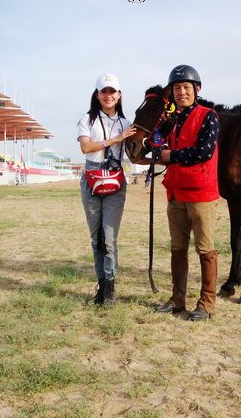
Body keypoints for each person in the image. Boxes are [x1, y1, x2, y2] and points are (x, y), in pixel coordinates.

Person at [155, 65, 221, 321]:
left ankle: (206, 303)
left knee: (205, 249)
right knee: (177, 248)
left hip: (201, 193)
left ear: (197, 89)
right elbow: (156, 142)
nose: (181, 92)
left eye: (186, 87)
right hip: (175, 192)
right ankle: (177, 299)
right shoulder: (172, 120)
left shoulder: (209, 116)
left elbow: (204, 151)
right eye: (176, 88)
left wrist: (173, 156)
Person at [77, 73, 136, 306]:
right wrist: (114, 139)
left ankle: (110, 290)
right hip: (91, 179)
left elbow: (133, 152)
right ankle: (101, 287)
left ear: (119, 95)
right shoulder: (87, 119)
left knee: (109, 238)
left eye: (112, 91)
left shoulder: (127, 123)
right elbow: (85, 147)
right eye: (104, 91)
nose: (108, 95)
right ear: (97, 94)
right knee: (96, 238)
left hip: (115, 181)